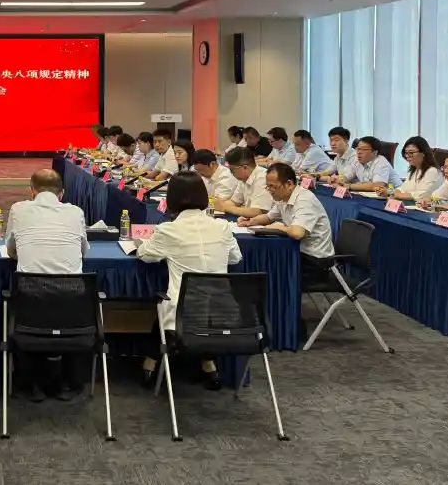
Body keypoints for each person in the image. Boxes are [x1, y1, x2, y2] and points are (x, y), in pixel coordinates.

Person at [136, 172, 242, 391]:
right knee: (194, 304)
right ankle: (209, 365)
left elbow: (145, 254)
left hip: (184, 315)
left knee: (167, 304)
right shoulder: (222, 226)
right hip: (224, 312)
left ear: (171, 198)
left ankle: (150, 365)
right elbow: (235, 258)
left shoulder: (169, 230)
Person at [4, 169, 90, 402]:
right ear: (62, 194)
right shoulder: (76, 212)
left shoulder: (18, 209)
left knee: (28, 307)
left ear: (31, 191)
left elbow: (11, 250)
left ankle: (32, 382)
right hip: (71, 301)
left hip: (30, 298)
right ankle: (67, 381)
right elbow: (83, 251)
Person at [239, 163, 334, 260]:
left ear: (289, 184)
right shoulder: (283, 198)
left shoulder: (304, 199)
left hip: (313, 258)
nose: (270, 191)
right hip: (295, 251)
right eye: (268, 187)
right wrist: (250, 221)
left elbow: (297, 233)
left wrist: (280, 228)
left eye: (273, 187)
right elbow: (268, 217)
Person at [213, 146, 273, 217]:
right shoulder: (243, 179)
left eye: (232, 170)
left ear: (245, 167)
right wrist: (222, 205)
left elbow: (258, 212)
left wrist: (227, 208)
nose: (231, 173)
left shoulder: (263, 177)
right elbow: (234, 202)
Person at [384, 136, 442, 201]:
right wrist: (394, 192)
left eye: (411, 153)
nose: (407, 156)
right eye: (406, 153)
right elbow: (403, 188)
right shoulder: (414, 169)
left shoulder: (432, 171)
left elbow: (423, 194)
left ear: (423, 153)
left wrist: (397, 195)